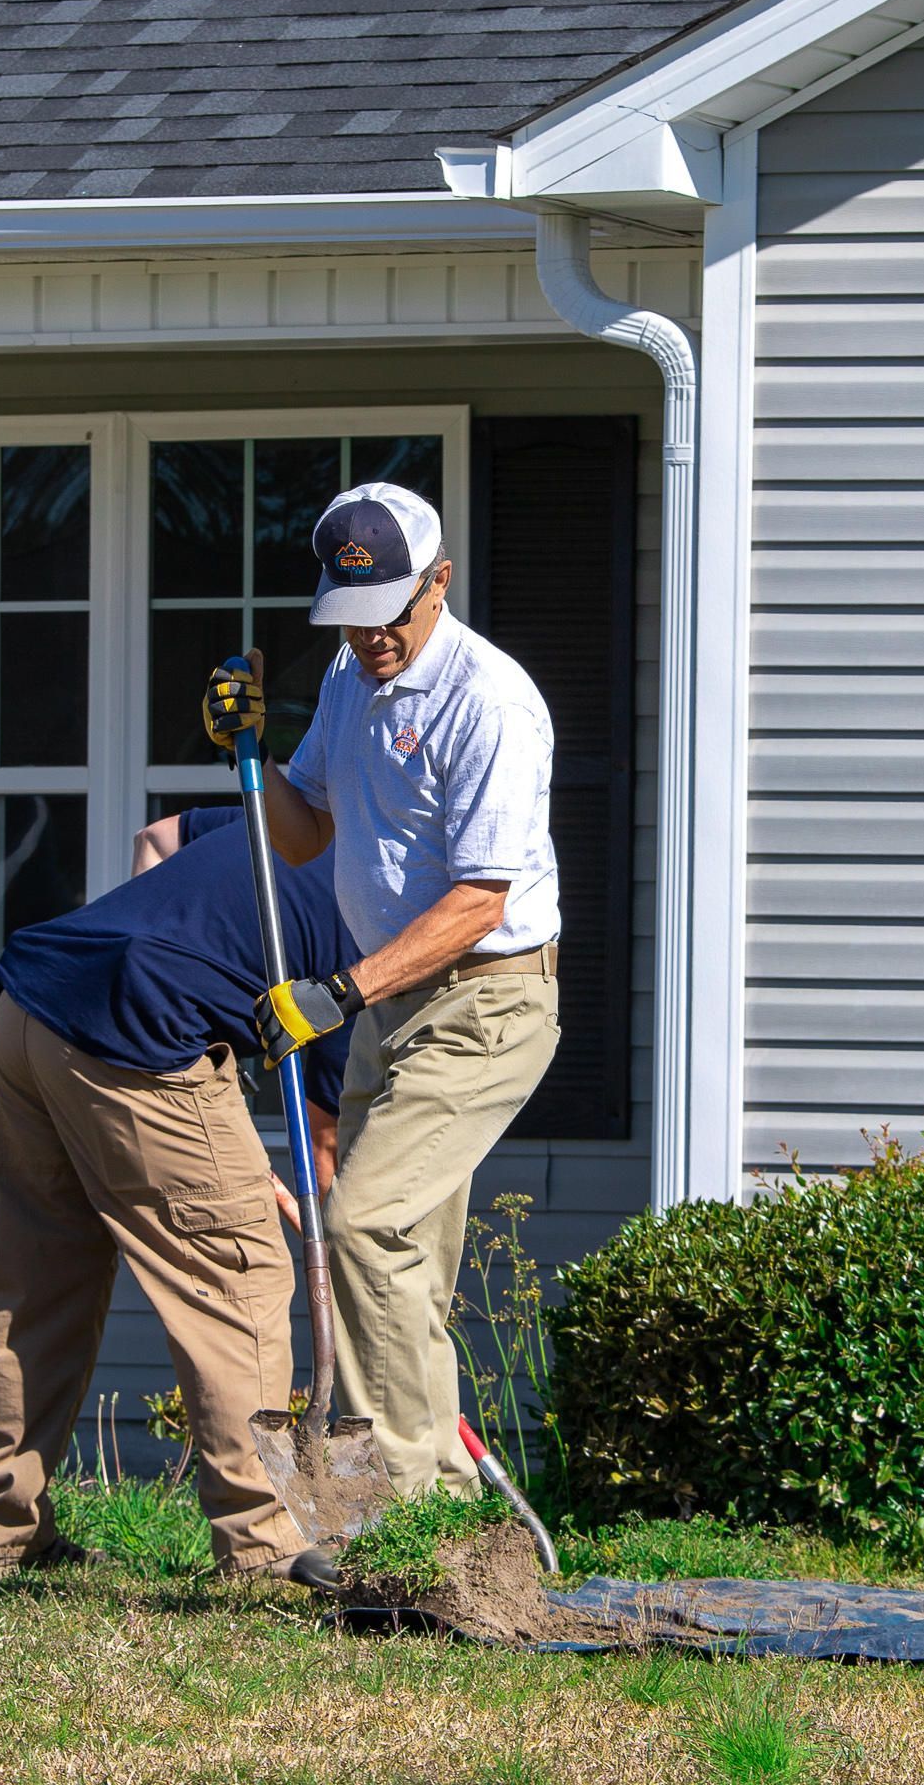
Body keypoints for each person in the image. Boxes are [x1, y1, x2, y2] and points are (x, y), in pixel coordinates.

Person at [202, 482, 561, 1497]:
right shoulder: (353, 677)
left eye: (388, 617)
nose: (369, 642)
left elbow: (480, 900)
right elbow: (306, 827)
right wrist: (250, 753)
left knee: (362, 1223)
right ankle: (408, 1496)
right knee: (393, 1262)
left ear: (438, 583)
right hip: (391, 1006)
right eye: (350, 621)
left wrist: (337, 992)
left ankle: (402, 1502)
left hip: (484, 1004)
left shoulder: (487, 701)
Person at [0, 805, 350, 1585]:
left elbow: (155, 839)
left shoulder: (298, 819)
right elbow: (323, 1145)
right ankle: (264, 1542)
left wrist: (156, 952)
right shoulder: (375, 926)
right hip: (141, 1031)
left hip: (33, 1003)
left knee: (37, 1285)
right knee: (241, 1278)